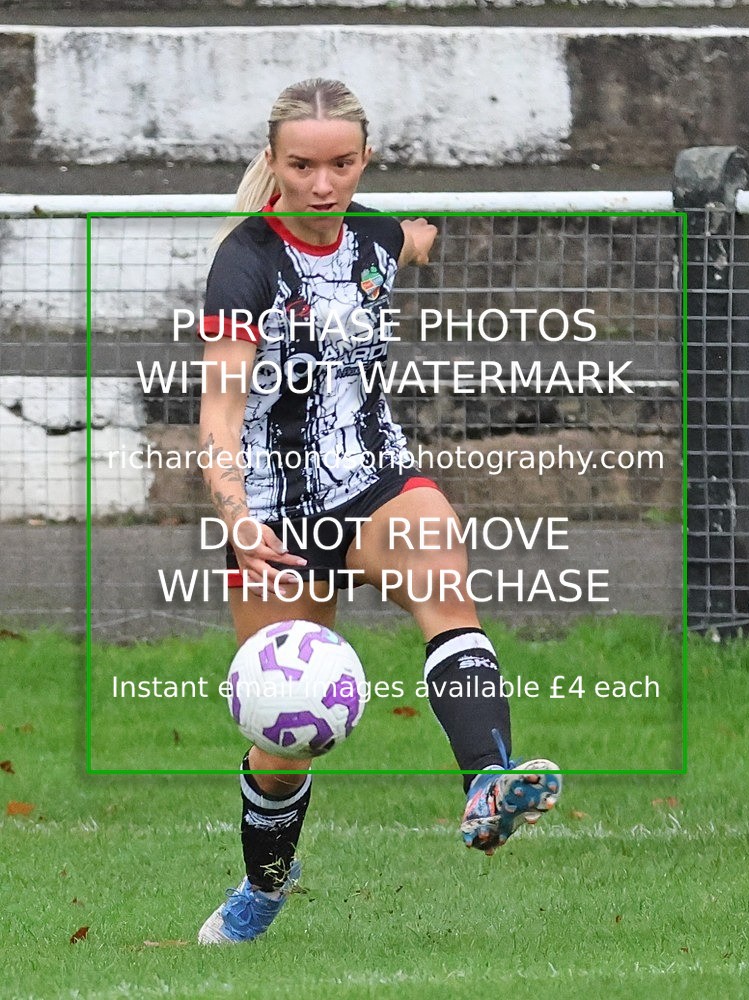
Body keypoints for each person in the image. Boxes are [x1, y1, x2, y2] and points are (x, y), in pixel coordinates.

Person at [196, 78, 561, 945]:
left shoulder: (376, 236)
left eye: (342, 164)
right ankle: (262, 889)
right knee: (283, 747)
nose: (322, 185)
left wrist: (435, 236)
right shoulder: (247, 259)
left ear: (364, 160)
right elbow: (218, 404)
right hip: (277, 513)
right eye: (302, 166)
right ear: (274, 163)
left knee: (444, 578)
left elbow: (416, 238)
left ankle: (489, 780)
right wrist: (237, 516)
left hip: (374, 482)